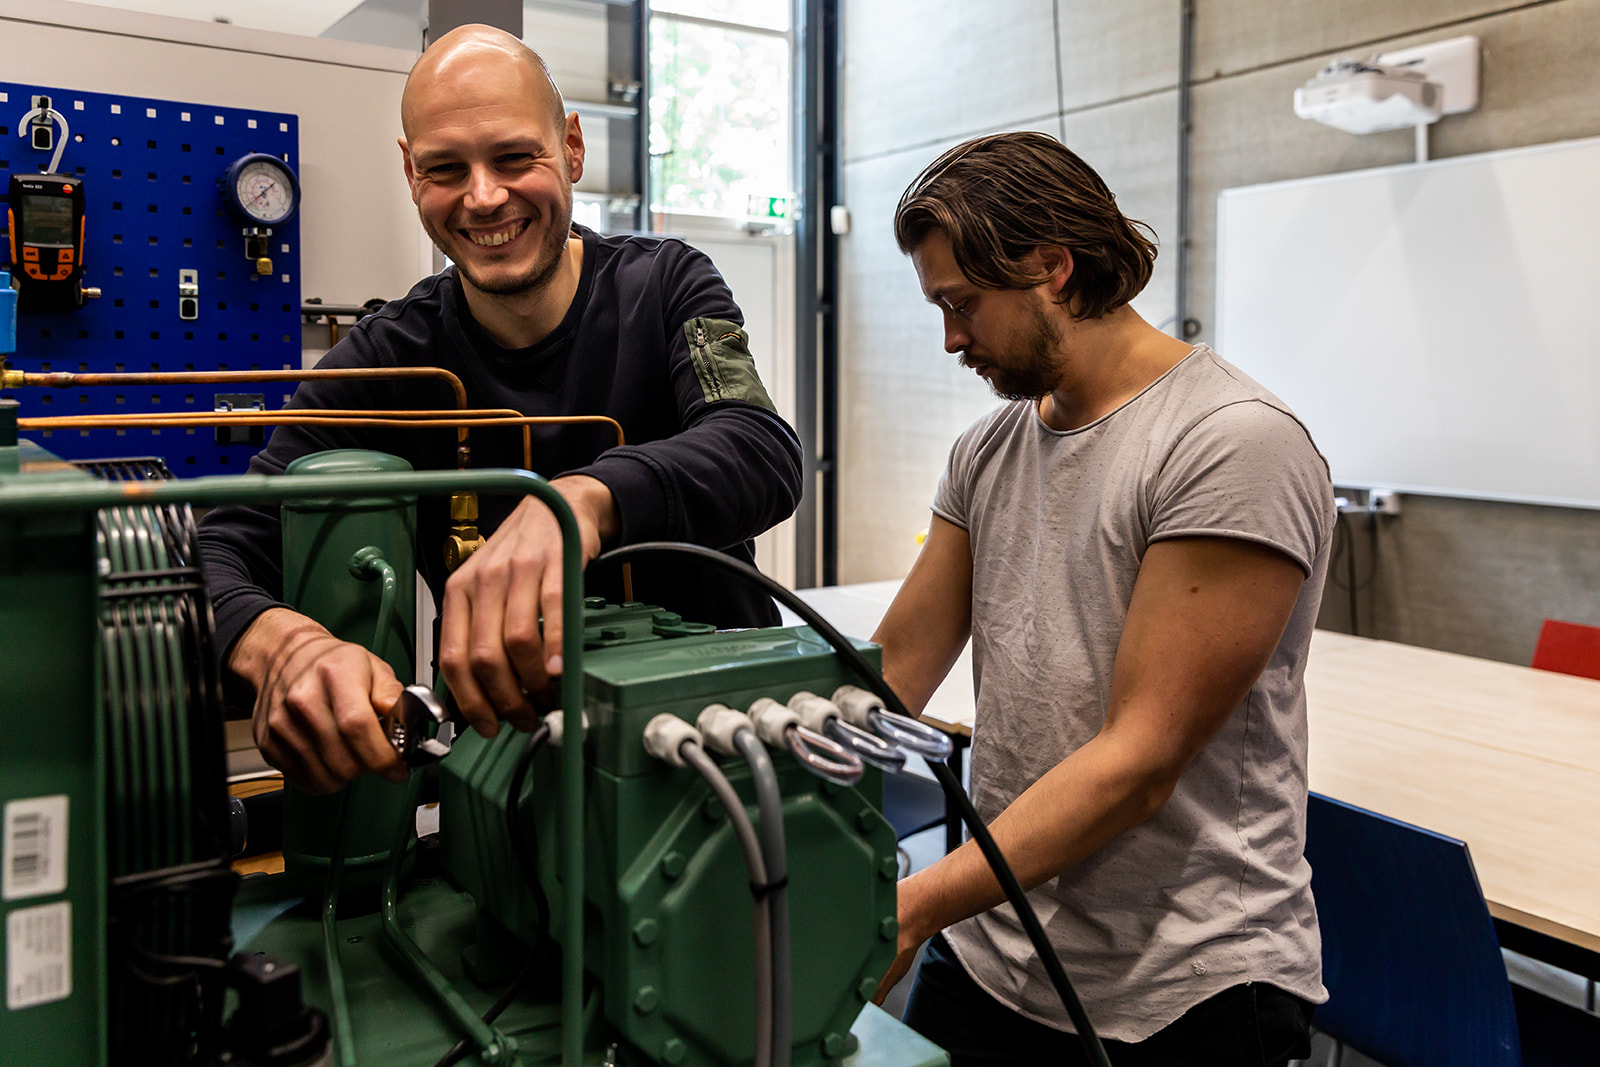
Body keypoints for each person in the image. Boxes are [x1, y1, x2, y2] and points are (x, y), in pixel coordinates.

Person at [197, 25, 802, 794]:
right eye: (447, 168)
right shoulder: (389, 357)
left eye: (515, 157)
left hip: (722, 759)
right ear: (411, 172)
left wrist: (583, 502)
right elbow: (222, 546)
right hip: (510, 789)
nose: (484, 197)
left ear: (573, 148)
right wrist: (283, 646)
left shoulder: (665, 285)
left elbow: (760, 447)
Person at [870, 131, 1335, 1065]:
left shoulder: (1231, 443)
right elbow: (892, 673)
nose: (952, 338)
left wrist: (913, 902)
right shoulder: (988, 447)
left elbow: (1139, 760)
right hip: (998, 939)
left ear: (1050, 266)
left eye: (962, 305)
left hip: (1180, 983)